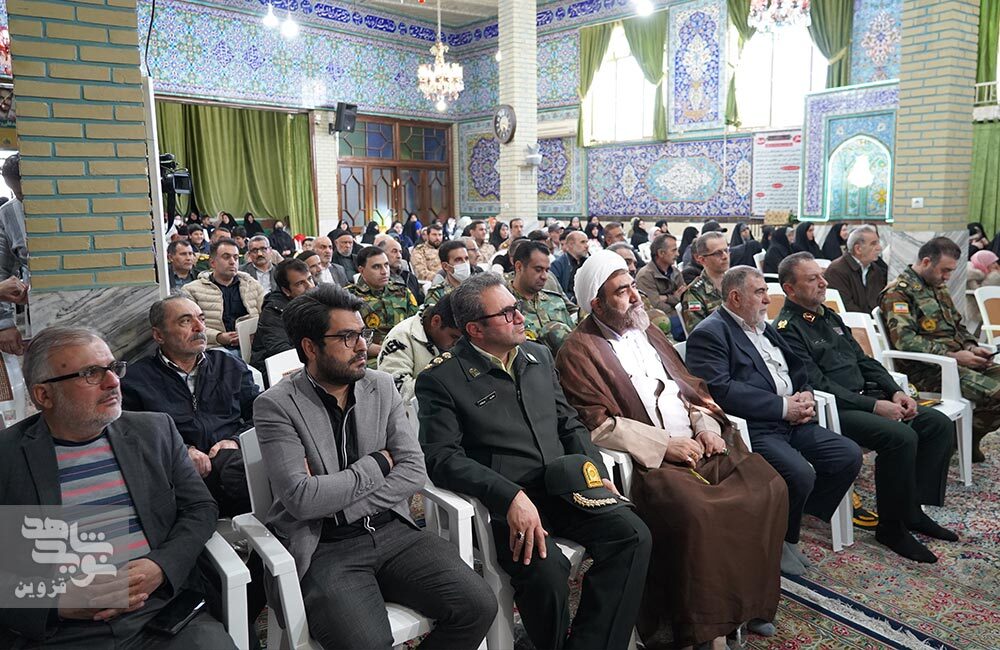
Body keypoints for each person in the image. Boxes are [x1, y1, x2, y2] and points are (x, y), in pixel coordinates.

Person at [556, 252, 787, 647]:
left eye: (633, 286)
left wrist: (706, 426)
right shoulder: (578, 351)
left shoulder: (648, 331)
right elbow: (596, 424)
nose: (635, 297)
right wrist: (666, 445)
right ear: (597, 303)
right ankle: (707, 627)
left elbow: (690, 389)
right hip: (653, 463)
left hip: (701, 444)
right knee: (700, 512)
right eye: (621, 292)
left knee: (770, 486)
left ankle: (747, 604)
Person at [416, 273, 652, 650]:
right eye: (507, 313)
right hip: (505, 505)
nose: (520, 317)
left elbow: (567, 422)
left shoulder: (537, 355)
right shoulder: (443, 379)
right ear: (475, 329)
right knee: (547, 570)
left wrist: (594, 471)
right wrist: (509, 496)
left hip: (564, 488)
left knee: (633, 535)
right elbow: (442, 458)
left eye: (517, 308)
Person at [253, 285, 496, 649]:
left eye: (363, 334)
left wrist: (337, 504)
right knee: (366, 642)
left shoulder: (380, 386)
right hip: (326, 548)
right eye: (347, 337)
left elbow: (413, 470)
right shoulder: (277, 405)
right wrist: (378, 463)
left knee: (477, 605)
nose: (362, 347)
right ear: (310, 347)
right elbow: (302, 500)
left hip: (393, 531)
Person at [0, 326, 235, 649]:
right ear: (44, 395)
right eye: (91, 374)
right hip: (59, 632)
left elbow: (200, 508)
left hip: (163, 616)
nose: (113, 382)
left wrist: (161, 566)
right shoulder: (9, 457)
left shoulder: (154, 431)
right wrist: (56, 600)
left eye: (113, 368)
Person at [775, 253, 957, 562]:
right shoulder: (787, 328)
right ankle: (891, 527)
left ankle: (912, 510)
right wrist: (875, 406)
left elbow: (864, 361)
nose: (823, 283)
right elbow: (818, 384)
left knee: (936, 424)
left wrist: (895, 392)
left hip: (866, 397)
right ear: (790, 289)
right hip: (836, 410)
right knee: (900, 437)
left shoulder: (829, 317)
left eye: (821, 276)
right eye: (812, 279)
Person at [685, 266, 862, 576]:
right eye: (760, 293)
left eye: (766, 292)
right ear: (735, 297)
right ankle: (783, 539)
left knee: (848, 456)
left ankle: (790, 520)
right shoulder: (710, 333)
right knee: (800, 474)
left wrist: (805, 395)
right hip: (756, 426)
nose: (768, 299)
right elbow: (720, 390)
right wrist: (782, 407)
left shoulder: (763, 326)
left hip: (794, 419)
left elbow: (796, 367)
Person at [880, 236, 1000, 462]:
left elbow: (957, 326)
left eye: (951, 271)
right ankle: (955, 437)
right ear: (926, 262)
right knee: (996, 392)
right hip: (927, 370)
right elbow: (905, 341)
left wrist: (971, 346)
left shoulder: (938, 287)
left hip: (956, 362)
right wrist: (953, 356)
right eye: (944, 270)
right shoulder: (899, 292)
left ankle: (966, 436)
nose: (947, 277)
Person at [182, 239, 266, 352]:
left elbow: (266, 318)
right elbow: (189, 327)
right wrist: (218, 337)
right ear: (212, 263)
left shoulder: (253, 286)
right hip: (213, 348)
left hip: (251, 346)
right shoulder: (192, 290)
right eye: (226, 257)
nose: (232, 262)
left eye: (236, 258)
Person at [377, 294, 461, 404]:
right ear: (436, 321)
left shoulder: (458, 333)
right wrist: (445, 385)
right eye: (454, 337)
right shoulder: (399, 339)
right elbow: (397, 392)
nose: (458, 344)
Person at [346, 246, 419, 360]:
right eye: (376, 267)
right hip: (369, 358)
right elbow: (348, 338)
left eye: (386, 265)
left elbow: (416, 326)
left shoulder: (403, 292)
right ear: (361, 270)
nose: (384, 271)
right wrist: (387, 350)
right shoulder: (349, 297)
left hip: (406, 354)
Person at [250, 259, 316, 374]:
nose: (310, 286)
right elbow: (281, 351)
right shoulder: (273, 311)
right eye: (300, 283)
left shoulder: (315, 301)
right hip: (274, 370)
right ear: (286, 290)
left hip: (309, 361)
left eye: (310, 279)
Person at [509, 241, 576, 353]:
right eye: (538, 270)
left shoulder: (556, 301)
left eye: (547, 270)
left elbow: (573, 342)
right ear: (519, 267)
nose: (544, 276)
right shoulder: (505, 306)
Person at [823, 224, 888, 314]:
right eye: (873, 244)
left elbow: (878, 302)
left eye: (878, 243)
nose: (879, 248)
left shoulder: (876, 270)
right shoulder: (836, 270)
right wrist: (869, 319)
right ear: (858, 249)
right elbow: (844, 306)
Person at [680, 232, 730, 334]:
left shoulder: (734, 282)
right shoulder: (694, 293)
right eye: (717, 253)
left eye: (726, 250)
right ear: (702, 260)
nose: (725, 256)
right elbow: (699, 333)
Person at [376, 235, 425, 304]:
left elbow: (421, 302)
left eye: (400, 252)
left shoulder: (409, 277)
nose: (399, 256)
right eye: (394, 251)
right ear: (382, 254)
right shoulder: (379, 279)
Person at [425, 240, 471, 306]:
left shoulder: (476, 288)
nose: (465, 263)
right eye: (458, 260)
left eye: (466, 258)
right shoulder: (436, 294)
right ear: (445, 266)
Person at [550, 230, 589, 302]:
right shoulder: (558, 265)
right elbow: (555, 292)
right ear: (571, 244)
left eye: (587, 242)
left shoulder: (588, 263)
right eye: (582, 242)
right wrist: (573, 299)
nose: (586, 246)